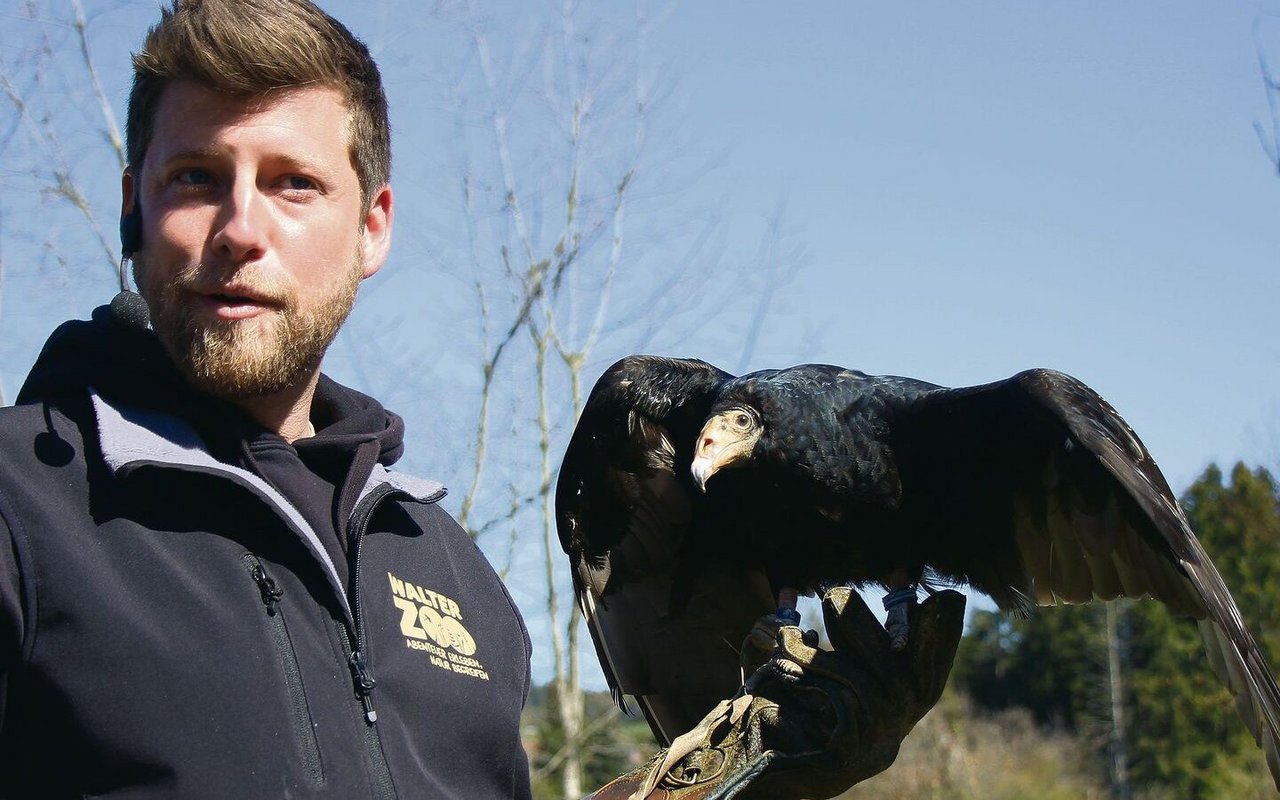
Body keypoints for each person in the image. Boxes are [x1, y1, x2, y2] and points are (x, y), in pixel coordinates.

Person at [0, 1, 964, 797]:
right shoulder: (19, 510)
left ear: (373, 228)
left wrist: (752, 775)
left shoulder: (454, 574)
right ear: (133, 204)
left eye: (294, 184)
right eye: (195, 178)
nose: (240, 228)